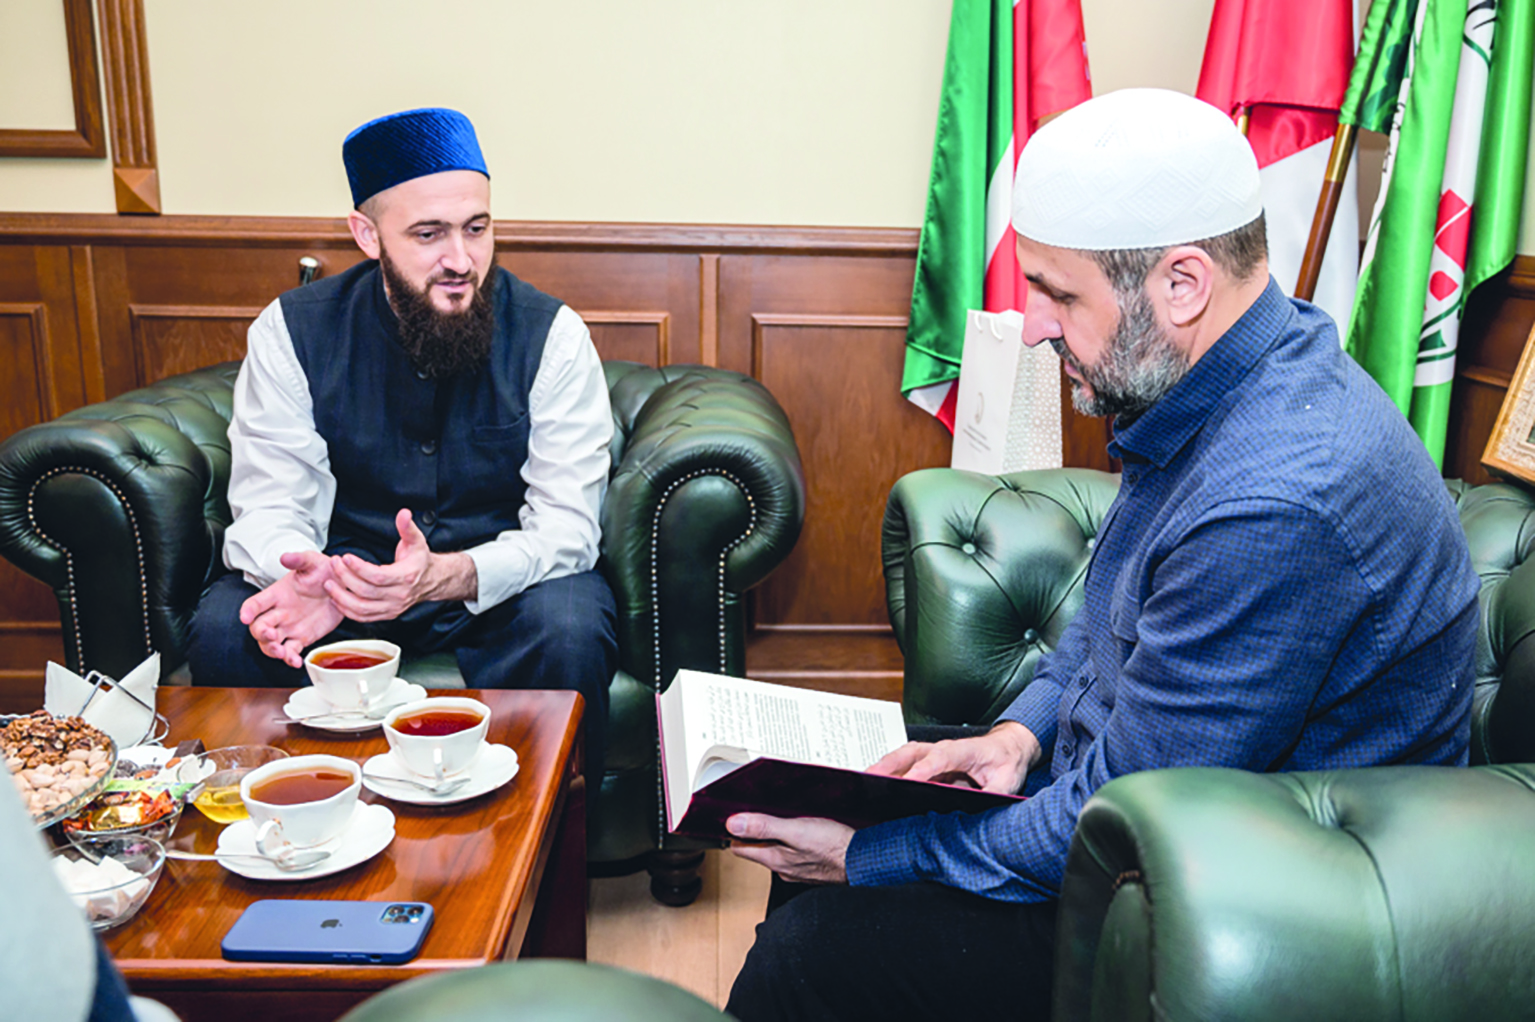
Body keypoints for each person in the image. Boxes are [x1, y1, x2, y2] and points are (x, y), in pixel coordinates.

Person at [724, 88, 1480, 1020]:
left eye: (1057, 292)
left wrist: (869, 859)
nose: (1031, 323)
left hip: (1258, 900)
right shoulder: (1212, 383)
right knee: (822, 848)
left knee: (808, 951)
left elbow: (1121, 822)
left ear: (1181, 284)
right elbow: (1104, 624)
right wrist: (1019, 735)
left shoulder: (1273, 501)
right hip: (1162, 812)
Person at [188, 108, 616, 785]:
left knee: (570, 624)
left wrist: (445, 575)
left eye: (476, 228)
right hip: (344, 592)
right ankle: (287, 821)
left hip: (492, 592)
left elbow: (566, 529)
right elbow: (271, 505)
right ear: (368, 235)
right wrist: (323, 581)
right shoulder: (290, 331)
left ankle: (543, 835)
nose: (460, 260)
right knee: (226, 626)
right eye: (428, 233)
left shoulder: (553, 335)